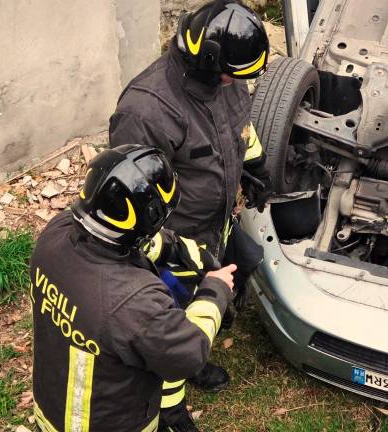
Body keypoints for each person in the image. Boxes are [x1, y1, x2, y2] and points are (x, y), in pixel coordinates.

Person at [108, 1, 272, 428]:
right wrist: (162, 251)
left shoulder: (228, 77)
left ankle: (195, 359)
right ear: (204, 60)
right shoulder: (146, 110)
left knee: (215, 290)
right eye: (230, 75)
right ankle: (169, 410)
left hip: (214, 224)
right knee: (171, 325)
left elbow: (240, 127)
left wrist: (254, 163)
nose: (236, 83)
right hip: (172, 240)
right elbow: (129, 196)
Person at [30, 145, 236, 432]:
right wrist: (215, 289)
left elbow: (117, 240)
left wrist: (171, 247)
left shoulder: (55, 234)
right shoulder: (134, 304)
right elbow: (190, 353)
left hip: (49, 410)